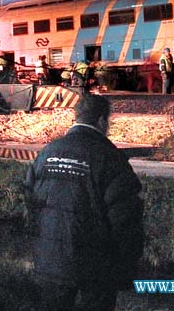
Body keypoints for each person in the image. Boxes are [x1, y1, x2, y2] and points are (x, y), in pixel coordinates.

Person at [25, 94, 144, 311]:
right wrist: (126, 265)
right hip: (96, 267)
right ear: (102, 121)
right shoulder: (110, 158)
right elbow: (125, 220)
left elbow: (31, 203)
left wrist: (40, 244)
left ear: (77, 117)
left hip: (51, 261)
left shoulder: (47, 152)